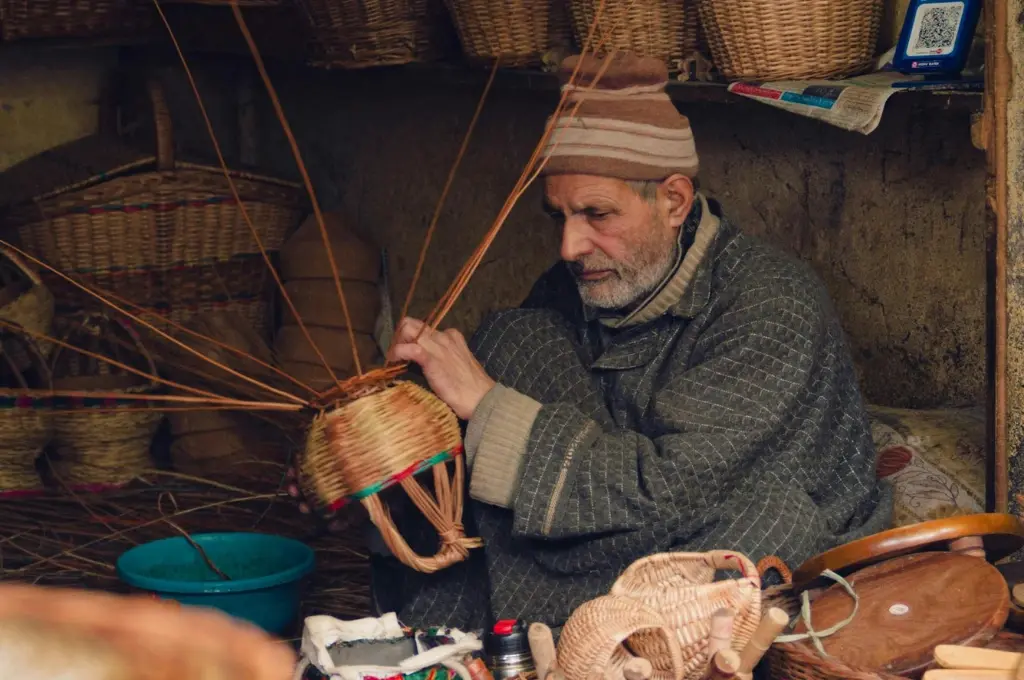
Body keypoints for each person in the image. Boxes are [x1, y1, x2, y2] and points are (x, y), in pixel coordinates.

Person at [292, 52, 893, 633]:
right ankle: (567, 615)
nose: (570, 247)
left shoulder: (770, 303)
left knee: (766, 531)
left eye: (597, 215)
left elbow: (672, 490)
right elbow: (489, 443)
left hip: (715, 519)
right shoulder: (570, 286)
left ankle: (552, 620)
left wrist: (487, 406)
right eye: (559, 217)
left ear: (674, 201)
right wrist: (379, 475)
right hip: (618, 526)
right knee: (511, 337)